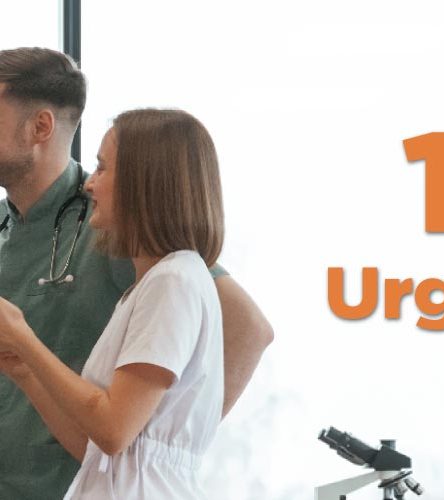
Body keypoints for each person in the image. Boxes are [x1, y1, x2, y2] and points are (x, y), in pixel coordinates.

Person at [0, 47, 273, 499]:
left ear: (40, 127)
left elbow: (249, 328)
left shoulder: (124, 234)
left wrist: (161, 442)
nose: (95, 181)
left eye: (105, 167)